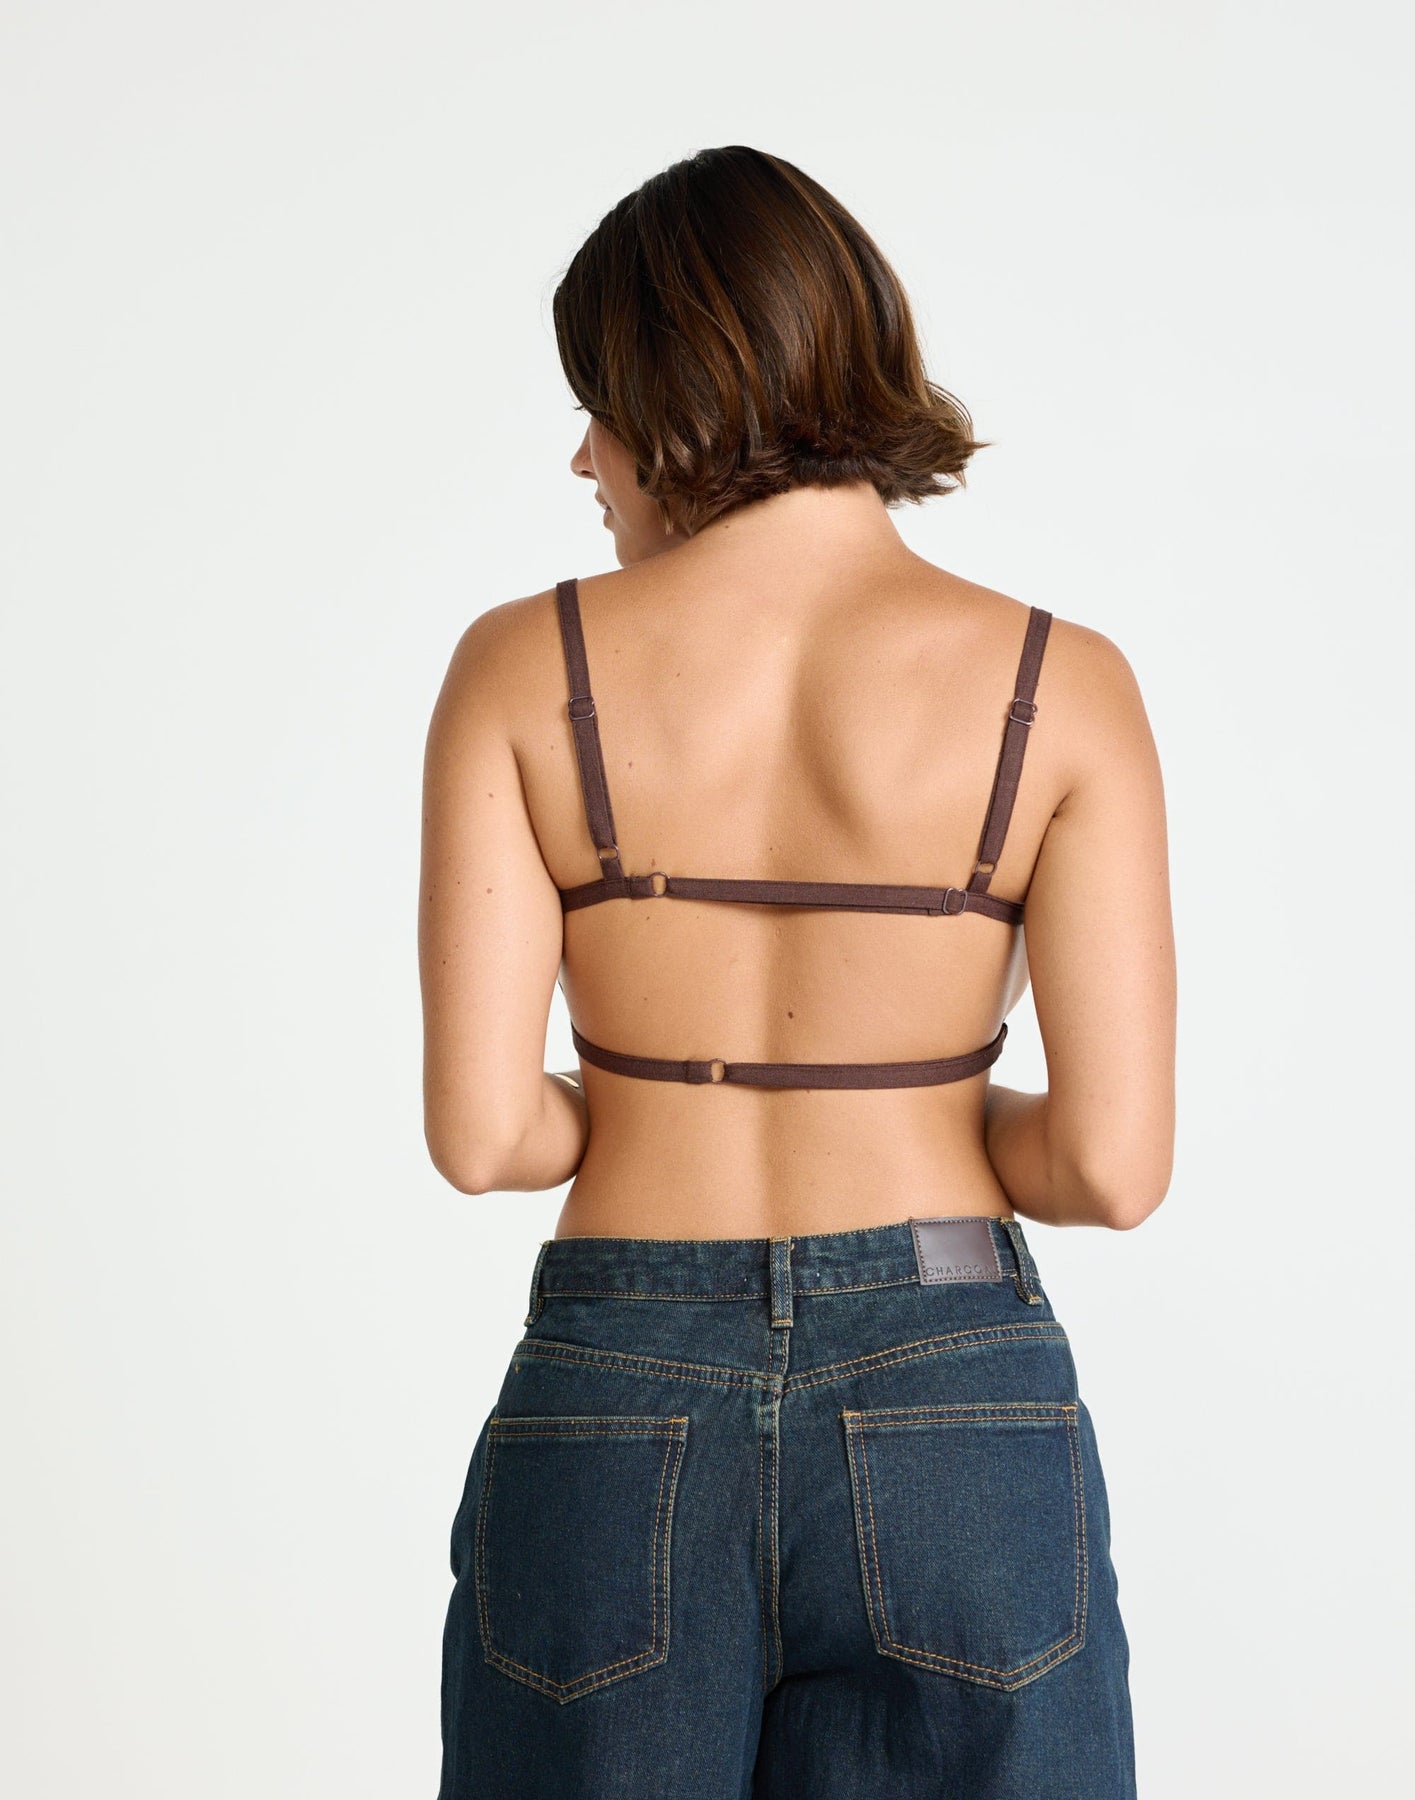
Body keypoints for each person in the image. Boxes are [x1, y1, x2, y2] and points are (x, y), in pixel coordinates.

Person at [420, 146, 1175, 1800]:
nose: (584, 455)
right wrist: (925, 1104)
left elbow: (487, 1139)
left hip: (618, 1396)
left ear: (682, 394)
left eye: (600, 404)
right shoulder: (1062, 683)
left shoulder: (521, 668)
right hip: (957, 1397)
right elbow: (1109, 1171)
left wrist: (644, 1094)